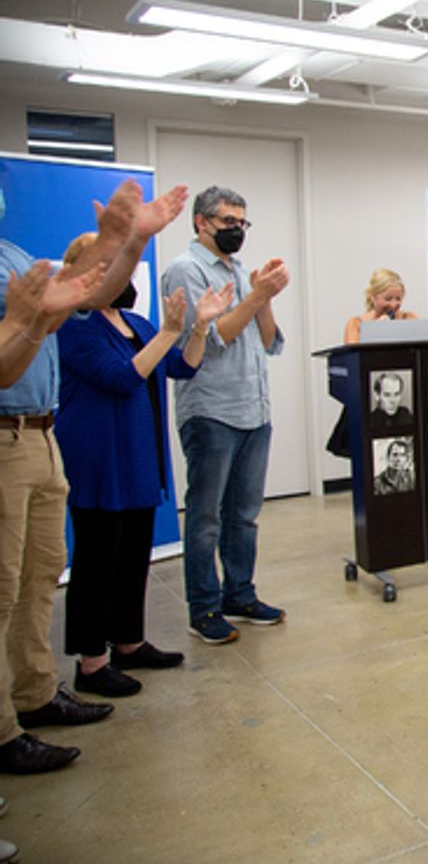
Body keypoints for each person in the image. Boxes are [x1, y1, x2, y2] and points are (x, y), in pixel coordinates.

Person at [0, 178, 188, 776]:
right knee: (28, 581)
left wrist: (132, 242)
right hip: (45, 443)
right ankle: (30, 706)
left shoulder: (17, 259)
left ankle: (39, 691)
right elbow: (119, 372)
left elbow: (96, 296)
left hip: (55, 437)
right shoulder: (71, 317)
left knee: (45, 578)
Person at [55, 233, 233, 696]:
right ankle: (91, 663)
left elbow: (182, 367)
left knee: (133, 553)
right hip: (98, 457)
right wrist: (170, 332)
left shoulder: (135, 322)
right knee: (97, 559)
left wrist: (198, 327)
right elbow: (120, 377)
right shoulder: (74, 325)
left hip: (137, 455)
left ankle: (128, 643)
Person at [162, 185, 289, 646]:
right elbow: (213, 340)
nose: (237, 230)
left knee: (244, 515)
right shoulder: (186, 269)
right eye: (228, 222)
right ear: (201, 222)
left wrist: (265, 297)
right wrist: (254, 297)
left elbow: (269, 342)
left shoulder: (238, 270)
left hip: (254, 408)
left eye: (242, 222)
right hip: (211, 410)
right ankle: (204, 607)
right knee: (206, 516)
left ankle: (240, 594)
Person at [343, 267, 419, 344]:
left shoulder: (409, 319)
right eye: (388, 299)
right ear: (373, 297)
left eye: (398, 299)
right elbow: (354, 350)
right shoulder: (356, 324)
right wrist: (377, 330)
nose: (393, 305)